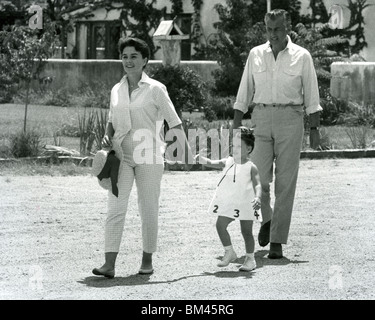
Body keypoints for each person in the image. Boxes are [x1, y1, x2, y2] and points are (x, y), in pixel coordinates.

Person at [92, 37, 192, 278]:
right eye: (124, 56)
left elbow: (174, 121)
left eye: (134, 56)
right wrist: (107, 137)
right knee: (115, 207)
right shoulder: (116, 89)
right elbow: (110, 120)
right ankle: (109, 264)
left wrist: (185, 153)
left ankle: (147, 260)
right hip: (121, 156)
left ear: (145, 60)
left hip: (149, 156)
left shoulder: (156, 89)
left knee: (148, 209)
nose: (128, 61)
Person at [232, 9, 322, 259]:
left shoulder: (302, 56)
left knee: (285, 182)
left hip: (291, 120)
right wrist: (237, 122)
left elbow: (312, 95)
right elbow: (244, 90)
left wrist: (315, 128)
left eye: (278, 29)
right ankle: (268, 221)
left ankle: (277, 241)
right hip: (260, 118)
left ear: (288, 28)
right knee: (259, 179)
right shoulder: (255, 54)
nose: (273, 34)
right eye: (270, 29)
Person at [196, 127, 262, 271]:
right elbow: (212, 163)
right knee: (220, 225)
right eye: (233, 145)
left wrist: (258, 198)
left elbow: (258, 184)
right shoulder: (228, 161)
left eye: (239, 146)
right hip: (230, 201)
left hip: (246, 202)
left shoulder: (252, 167)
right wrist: (202, 159)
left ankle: (250, 259)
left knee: (246, 232)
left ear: (248, 148)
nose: (235, 148)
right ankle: (229, 251)